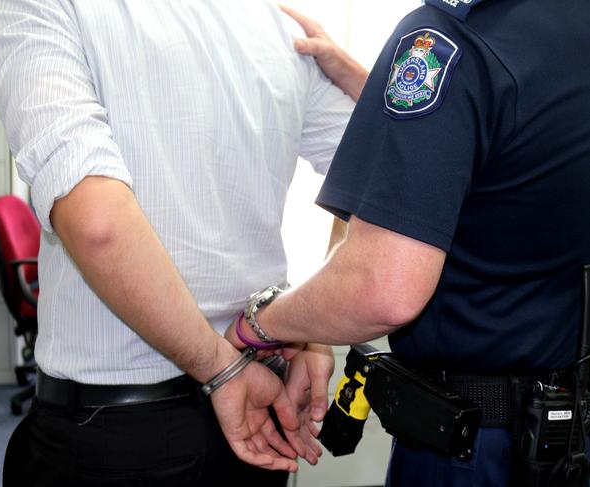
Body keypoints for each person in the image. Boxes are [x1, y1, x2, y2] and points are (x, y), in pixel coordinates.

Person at [0, 0, 356, 485]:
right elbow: (375, 178)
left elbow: (98, 224)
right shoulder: (279, 23)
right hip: (258, 410)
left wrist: (222, 368)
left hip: (118, 434)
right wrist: (313, 326)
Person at [227, 1, 590, 485]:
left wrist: (261, 323)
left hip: (469, 448)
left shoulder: (448, 38)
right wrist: (378, 87)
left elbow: (383, 289)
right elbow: (519, 137)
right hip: (563, 434)